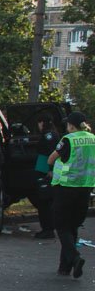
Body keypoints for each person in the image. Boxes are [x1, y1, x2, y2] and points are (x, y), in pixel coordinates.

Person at [47, 112, 94, 279]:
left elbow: (51, 159)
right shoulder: (93, 139)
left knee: (61, 226)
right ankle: (65, 267)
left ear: (72, 126)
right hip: (85, 189)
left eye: (68, 124)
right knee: (72, 227)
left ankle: (75, 258)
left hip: (65, 189)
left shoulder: (68, 139)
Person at [28, 116, 58, 239]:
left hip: (45, 171)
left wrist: (50, 170)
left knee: (44, 201)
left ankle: (48, 229)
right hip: (44, 169)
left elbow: (52, 152)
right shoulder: (51, 134)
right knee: (44, 200)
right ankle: (48, 227)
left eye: (39, 122)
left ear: (42, 123)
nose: (39, 126)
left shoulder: (48, 136)